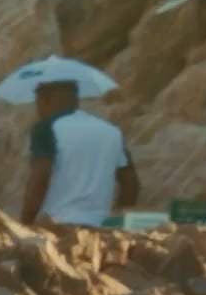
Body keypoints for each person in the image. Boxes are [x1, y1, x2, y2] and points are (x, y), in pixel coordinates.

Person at [19, 77, 135, 229]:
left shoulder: (46, 128)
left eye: (38, 103)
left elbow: (40, 179)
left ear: (45, 101)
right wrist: (116, 219)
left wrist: (24, 224)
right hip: (102, 227)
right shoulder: (111, 131)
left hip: (59, 225)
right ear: (75, 100)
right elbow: (131, 184)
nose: (38, 110)